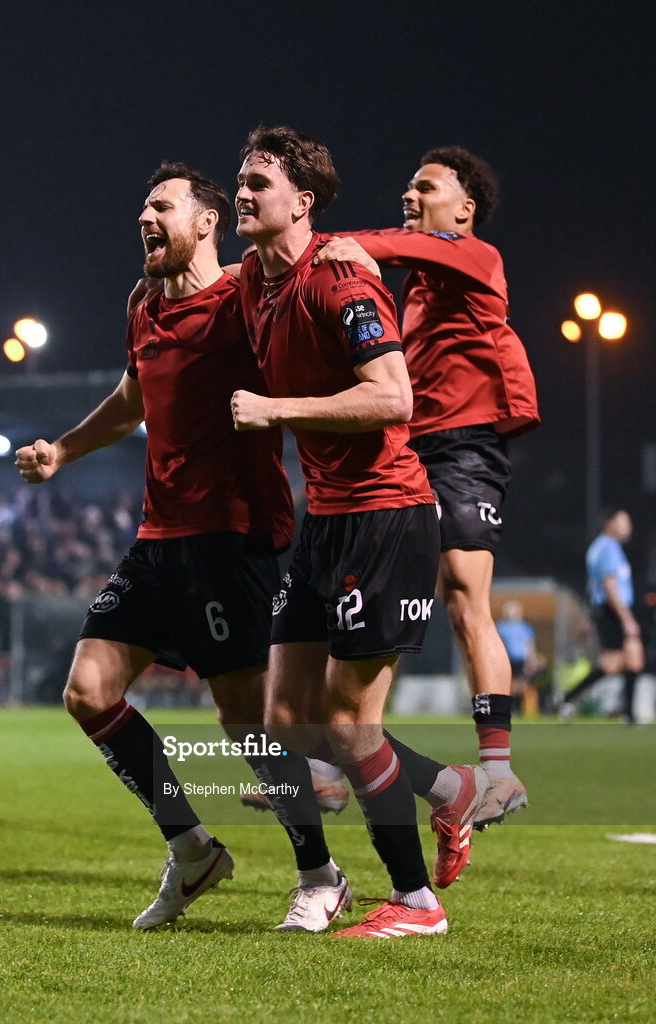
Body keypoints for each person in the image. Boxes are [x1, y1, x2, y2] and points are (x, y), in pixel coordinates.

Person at [16, 163, 355, 933]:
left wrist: (353, 252)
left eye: (160, 205)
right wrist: (64, 450)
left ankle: (320, 875)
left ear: (205, 222)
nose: (144, 215)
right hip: (156, 537)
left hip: (233, 536)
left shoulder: (245, 293)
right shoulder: (141, 303)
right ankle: (192, 847)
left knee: (245, 722)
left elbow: (306, 256)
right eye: (141, 205)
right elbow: (133, 398)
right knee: (87, 693)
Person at [232, 125, 489, 939]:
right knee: (282, 726)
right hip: (326, 520)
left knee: (346, 726)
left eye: (258, 183)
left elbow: (392, 399)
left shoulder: (340, 279)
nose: (242, 193)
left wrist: (278, 410)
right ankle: (440, 798)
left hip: (385, 514)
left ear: (301, 203)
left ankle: (415, 903)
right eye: (238, 181)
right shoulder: (252, 281)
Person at [317, 147, 540, 828]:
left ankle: (496, 773)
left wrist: (316, 244)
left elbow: (376, 246)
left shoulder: (475, 255)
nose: (409, 195)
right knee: (390, 598)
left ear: (463, 208)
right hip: (411, 451)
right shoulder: (413, 290)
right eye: (409, 186)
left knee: (464, 594)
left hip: (465, 445)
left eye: (426, 187)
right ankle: (334, 761)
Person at [559, 509, 642, 724]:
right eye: (623, 521)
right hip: (613, 610)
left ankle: (628, 714)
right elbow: (609, 585)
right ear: (609, 523)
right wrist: (626, 618)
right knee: (614, 663)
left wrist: (590, 616)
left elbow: (591, 586)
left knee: (627, 660)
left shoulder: (602, 547)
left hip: (607, 610)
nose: (628, 526)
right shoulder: (607, 548)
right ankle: (568, 699)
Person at [495, 600, 540, 716]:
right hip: (506, 660)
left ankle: (520, 709)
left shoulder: (525, 627)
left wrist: (532, 659)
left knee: (521, 684)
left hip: (521, 660)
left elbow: (529, 644)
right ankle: (509, 709)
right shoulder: (501, 627)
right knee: (508, 686)